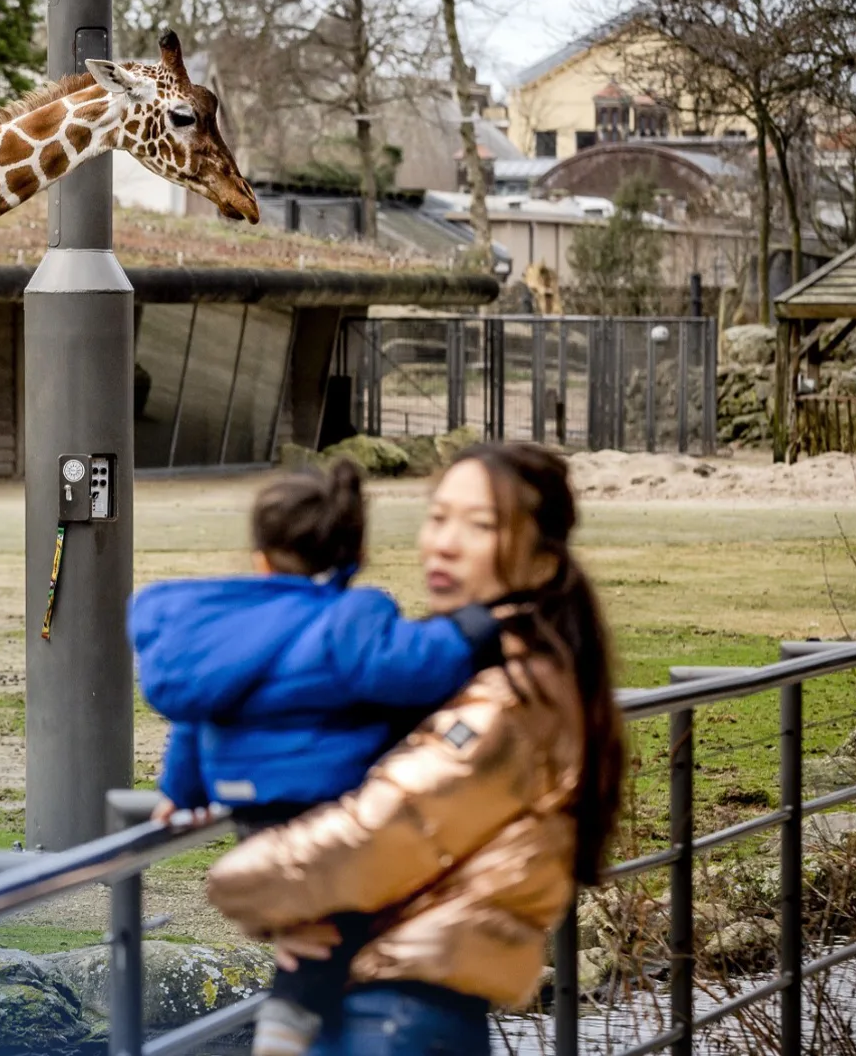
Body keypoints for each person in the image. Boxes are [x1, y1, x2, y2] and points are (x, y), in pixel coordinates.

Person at [199, 442, 626, 1056]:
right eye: (438, 516)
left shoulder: (507, 701)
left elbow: (379, 837)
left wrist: (244, 887)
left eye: (480, 525)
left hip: (393, 1019)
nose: (443, 543)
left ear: (543, 559)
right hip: (398, 1003)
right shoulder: (505, 665)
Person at [129, 458, 506, 1056]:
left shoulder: (223, 627)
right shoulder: (348, 616)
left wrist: (183, 791)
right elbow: (408, 669)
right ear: (352, 555)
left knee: (314, 925)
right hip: (325, 799)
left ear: (260, 554)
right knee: (345, 920)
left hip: (255, 810)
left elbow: (199, 716)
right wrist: (472, 629)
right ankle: (287, 1021)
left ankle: (291, 1016)